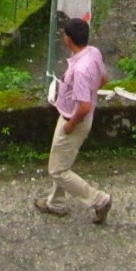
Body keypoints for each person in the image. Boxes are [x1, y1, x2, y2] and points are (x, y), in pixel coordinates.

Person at [35, 16, 112, 223]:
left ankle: (99, 199)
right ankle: (56, 203)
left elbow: (84, 106)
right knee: (62, 160)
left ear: (69, 39)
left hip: (74, 119)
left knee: (58, 170)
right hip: (76, 116)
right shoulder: (93, 53)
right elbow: (104, 79)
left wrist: (70, 124)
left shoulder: (80, 69)